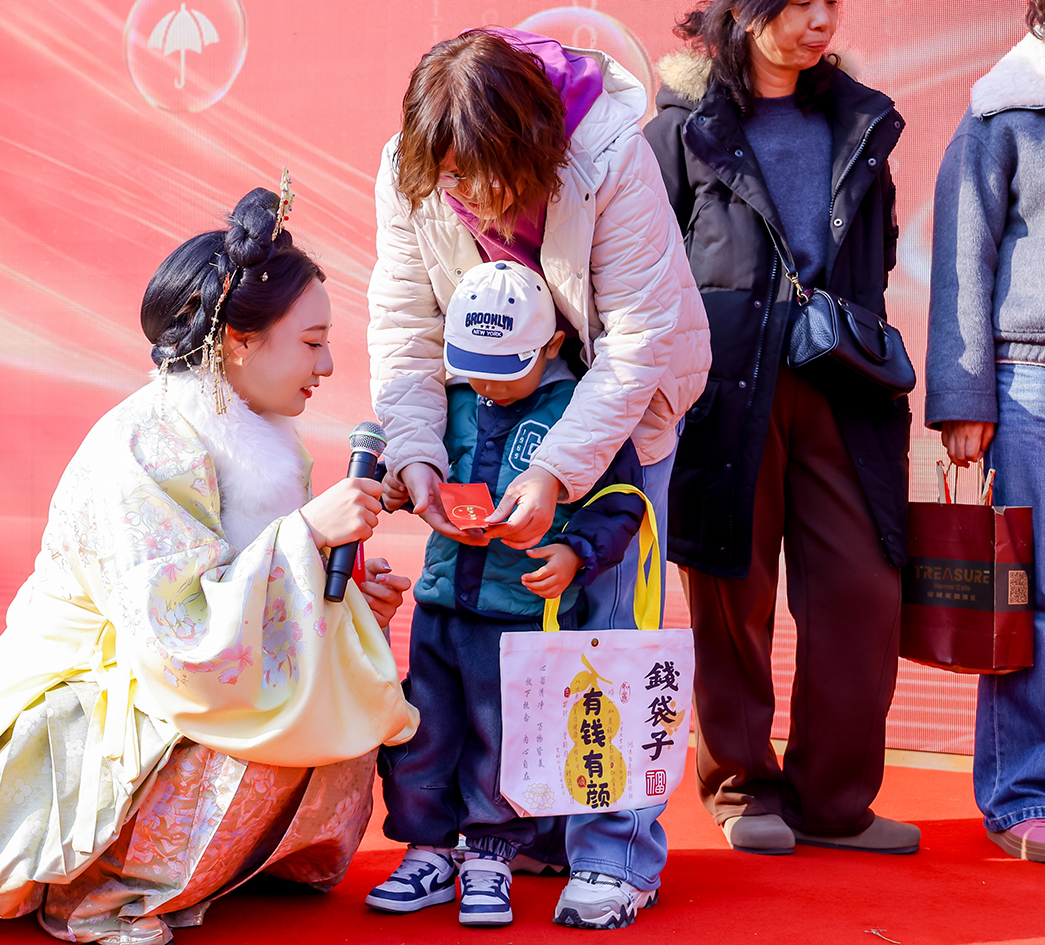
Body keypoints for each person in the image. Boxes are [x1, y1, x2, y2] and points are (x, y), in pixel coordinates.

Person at [0, 186, 421, 943]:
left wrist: (346, 592)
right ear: (239, 340)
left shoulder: (267, 439)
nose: (327, 365)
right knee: (246, 719)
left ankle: (234, 862)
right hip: (101, 684)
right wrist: (302, 536)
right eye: (312, 342)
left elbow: (253, 591)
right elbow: (176, 633)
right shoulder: (145, 442)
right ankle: (105, 891)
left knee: (324, 690)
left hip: (178, 667)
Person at [646, 0, 918, 856]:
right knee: (731, 591)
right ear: (743, 11)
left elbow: (876, 254)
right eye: (798, 3)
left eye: (829, 4)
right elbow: (646, 265)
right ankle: (740, 787)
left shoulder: (857, 120)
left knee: (862, 592)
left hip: (843, 382)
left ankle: (833, 802)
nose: (819, 21)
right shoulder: (683, 128)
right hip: (726, 388)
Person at [367, 27, 709, 636]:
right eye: (451, 177)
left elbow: (636, 339)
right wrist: (415, 452)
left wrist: (554, 471)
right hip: (494, 395)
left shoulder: (608, 154)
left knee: (606, 608)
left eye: (484, 174)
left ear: (528, 141)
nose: (469, 195)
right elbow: (405, 326)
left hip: (624, 396)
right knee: (495, 595)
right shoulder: (410, 169)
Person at [366, 260, 658, 930]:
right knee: (420, 731)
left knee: (505, 743)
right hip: (441, 608)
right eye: (472, 367)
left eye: (504, 369)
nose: (486, 384)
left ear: (551, 345)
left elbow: (620, 501)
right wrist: (397, 483)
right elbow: (414, 463)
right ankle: (427, 851)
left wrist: (575, 553)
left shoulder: (577, 410)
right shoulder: (453, 401)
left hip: (522, 620)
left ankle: (490, 858)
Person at [927, 1, 1045, 865]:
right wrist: (964, 397)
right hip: (1029, 373)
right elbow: (962, 254)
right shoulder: (1002, 110)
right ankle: (1020, 794)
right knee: (1024, 597)